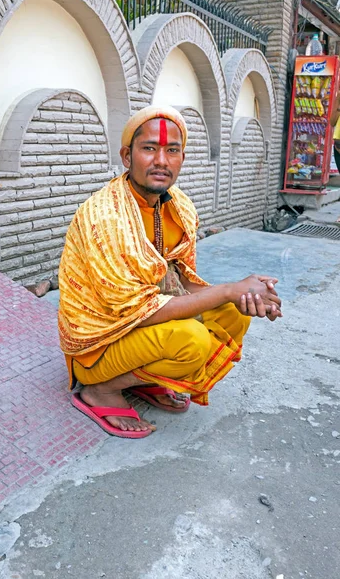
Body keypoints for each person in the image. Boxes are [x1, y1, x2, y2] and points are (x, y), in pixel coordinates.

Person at [58, 106, 282, 439]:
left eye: (171, 150)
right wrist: (226, 289)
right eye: (149, 148)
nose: (161, 160)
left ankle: (148, 379)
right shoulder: (104, 218)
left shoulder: (178, 206)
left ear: (181, 158)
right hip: (98, 344)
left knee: (235, 315)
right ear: (126, 156)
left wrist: (244, 294)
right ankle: (99, 389)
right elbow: (137, 312)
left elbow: (184, 284)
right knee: (191, 341)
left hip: (143, 324)